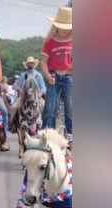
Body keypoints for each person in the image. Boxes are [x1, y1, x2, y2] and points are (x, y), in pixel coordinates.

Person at [40, 7, 72, 144]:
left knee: (71, 107)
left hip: (70, 76)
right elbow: (43, 62)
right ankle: (47, 133)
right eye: (61, 26)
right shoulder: (49, 41)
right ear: (55, 26)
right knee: (50, 107)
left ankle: (71, 134)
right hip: (53, 75)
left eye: (67, 27)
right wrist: (48, 76)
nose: (64, 29)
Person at [9, 56, 46, 126]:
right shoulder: (23, 75)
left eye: (32, 63)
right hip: (24, 96)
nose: (30, 64)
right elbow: (18, 86)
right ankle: (11, 123)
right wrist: (20, 92)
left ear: (34, 64)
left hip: (37, 96)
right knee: (14, 107)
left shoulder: (39, 75)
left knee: (45, 107)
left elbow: (43, 87)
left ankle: (44, 124)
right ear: (26, 65)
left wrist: (40, 93)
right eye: (29, 63)